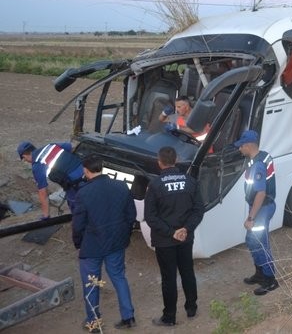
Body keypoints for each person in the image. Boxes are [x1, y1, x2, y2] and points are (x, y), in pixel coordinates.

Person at [72, 155, 137, 332]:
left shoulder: (83, 193)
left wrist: (78, 244)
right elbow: (131, 216)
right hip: (116, 242)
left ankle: (94, 322)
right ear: (102, 167)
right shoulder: (121, 185)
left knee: (91, 284)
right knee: (118, 277)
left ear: (85, 170)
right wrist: (124, 235)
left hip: (92, 247)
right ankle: (128, 316)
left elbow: (78, 225)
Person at [144, 146, 204, 327]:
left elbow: (150, 217)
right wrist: (185, 228)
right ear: (176, 160)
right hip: (186, 237)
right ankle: (191, 308)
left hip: (165, 240)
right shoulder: (190, 181)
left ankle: (169, 317)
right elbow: (198, 210)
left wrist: (171, 232)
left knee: (169, 278)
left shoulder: (155, 185)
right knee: (187, 271)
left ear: (159, 162)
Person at [235, 130, 280, 295]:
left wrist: (251, 218)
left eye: (241, 146)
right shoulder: (260, 157)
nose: (239, 149)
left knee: (260, 243)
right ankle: (260, 273)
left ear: (248, 145)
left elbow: (261, 193)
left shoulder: (257, 165)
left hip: (261, 208)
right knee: (253, 241)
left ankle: (270, 280)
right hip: (259, 206)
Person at [17, 140, 85, 219]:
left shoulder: (38, 165)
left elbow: (43, 192)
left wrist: (46, 215)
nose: (25, 160)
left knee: (76, 207)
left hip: (74, 183)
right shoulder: (50, 146)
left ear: (25, 155)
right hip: (87, 173)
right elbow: (72, 147)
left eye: (24, 158)